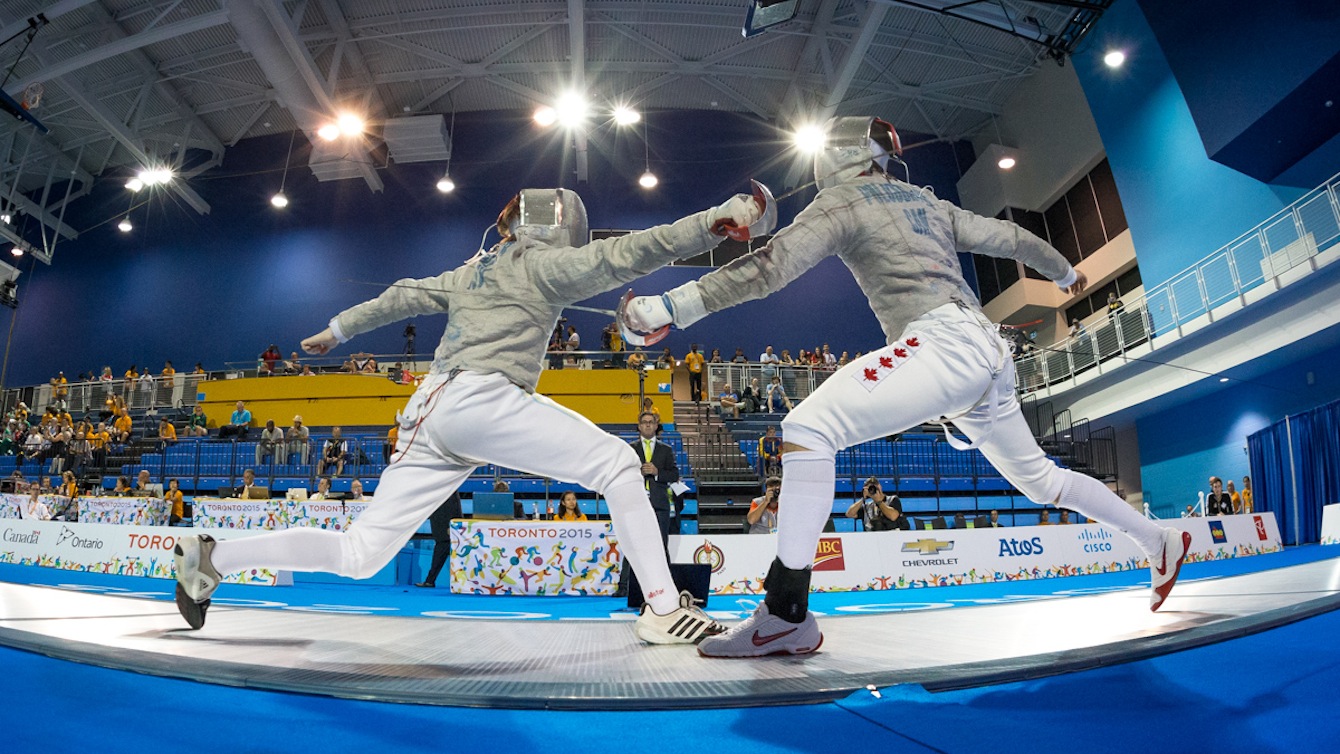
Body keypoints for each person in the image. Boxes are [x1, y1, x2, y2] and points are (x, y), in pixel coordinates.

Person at [625, 115, 1191, 657]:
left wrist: (672, 304)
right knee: (1042, 481)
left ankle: (785, 616)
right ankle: (1156, 540)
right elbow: (1013, 237)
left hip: (945, 344)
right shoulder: (928, 201)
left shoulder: (843, 200)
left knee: (806, 428)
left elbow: (771, 267)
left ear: (840, 156)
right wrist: (1068, 274)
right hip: (989, 350)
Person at [171, 186, 765, 644]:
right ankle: (663, 610)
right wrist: (716, 219)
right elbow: (637, 250)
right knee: (617, 463)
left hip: (428, 413)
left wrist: (339, 328)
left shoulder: (472, 270)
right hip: (479, 400)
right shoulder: (544, 264)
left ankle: (213, 558)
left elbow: (403, 293)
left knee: (361, 553)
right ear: (558, 228)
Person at [616, 409, 681, 598]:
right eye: (644, 422)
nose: (647, 425)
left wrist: (657, 472)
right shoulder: (630, 449)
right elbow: (622, 474)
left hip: (659, 504)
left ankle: (667, 587)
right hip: (635, 504)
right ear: (639, 426)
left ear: (655, 425)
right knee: (631, 545)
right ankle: (624, 587)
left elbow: (674, 475)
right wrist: (639, 473)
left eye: (651, 422)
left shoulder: (666, 450)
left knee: (661, 546)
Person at [416, 492, 463, 589]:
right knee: (443, 553)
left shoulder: (449, 489)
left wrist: (452, 524)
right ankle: (430, 580)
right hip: (442, 525)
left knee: (441, 552)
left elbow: (453, 507)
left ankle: (430, 580)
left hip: (446, 526)